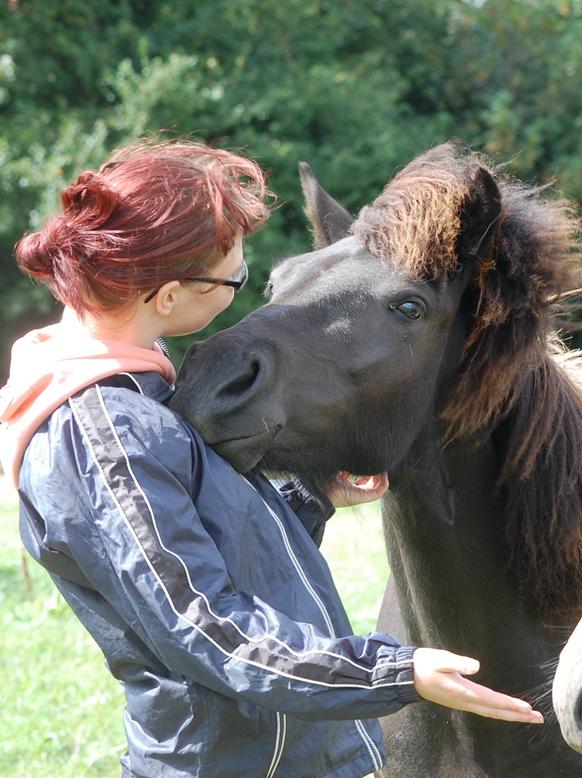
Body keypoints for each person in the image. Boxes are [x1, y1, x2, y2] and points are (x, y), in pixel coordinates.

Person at [0, 140, 542, 778]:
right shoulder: (106, 435)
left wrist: (314, 499)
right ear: (169, 297)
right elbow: (202, 625)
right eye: (235, 276)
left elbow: (217, 546)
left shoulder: (136, 397)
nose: (242, 281)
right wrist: (396, 671)